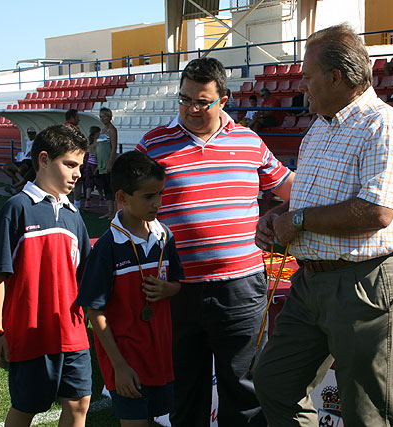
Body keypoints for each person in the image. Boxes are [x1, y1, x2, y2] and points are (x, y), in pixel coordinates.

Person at [253, 24, 393, 426]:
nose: (303, 85)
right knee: (274, 381)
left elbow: (378, 212)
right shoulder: (320, 129)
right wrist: (278, 217)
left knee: (366, 411)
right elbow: (309, 201)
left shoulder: (386, 126)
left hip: (363, 281)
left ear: (335, 77)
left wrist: (300, 220)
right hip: (312, 281)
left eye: (308, 77)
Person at [136, 56, 294, 426]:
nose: (191, 108)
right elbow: (129, 208)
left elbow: (291, 188)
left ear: (224, 98)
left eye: (201, 100)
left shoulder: (250, 142)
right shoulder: (152, 144)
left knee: (243, 392)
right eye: (184, 98)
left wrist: (277, 217)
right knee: (185, 391)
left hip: (241, 289)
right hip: (178, 290)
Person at [0, 125, 92, 426]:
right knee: (26, 406)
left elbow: (84, 275)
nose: (77, 173)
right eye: (70, 164)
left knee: (79, 402)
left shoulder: (74, 215)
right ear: (43, 160)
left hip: (73, 333)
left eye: (80, 166)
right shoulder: (17, 208)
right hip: (30, 332)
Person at [76, 150, 184, 425]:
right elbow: (94, 311)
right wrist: (119, 366)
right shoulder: (107, 248)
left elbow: (178, 283)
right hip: (125, 361)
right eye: (149, 196)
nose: (157, 202)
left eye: (160, 193)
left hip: (159, 358)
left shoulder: (164, 236)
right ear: (122, 198)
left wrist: (168, 290)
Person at [2, 127, 37, 194]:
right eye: (29, 133)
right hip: (24, 160)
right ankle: (18, 183)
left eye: (32, 133)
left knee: (21, 170)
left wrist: (33, 152)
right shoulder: (28, 142)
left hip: (30, 162)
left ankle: (18, 186)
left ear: (35, 134)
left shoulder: (37, 142)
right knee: (5, 167)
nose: (30, 135)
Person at [97, 107, 118, 220]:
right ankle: (109, 211)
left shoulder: (112, 130)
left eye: (104, 116)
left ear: (109, 117)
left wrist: (110, 162)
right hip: (101, 163)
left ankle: (115, 212)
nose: (102, 119)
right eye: (101, 116)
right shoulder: (102, 130)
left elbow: (114, 147)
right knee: (105, 187)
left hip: (108, 163)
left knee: (111, 187)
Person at [83, 126, 103, 207]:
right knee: (98, 183)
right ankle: (101, 200)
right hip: (94, 164)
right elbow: (96, 154)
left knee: (89, 182)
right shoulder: (96, 143)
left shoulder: (90, 142)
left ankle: (87, 200)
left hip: (89, 163)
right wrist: (99, 164)